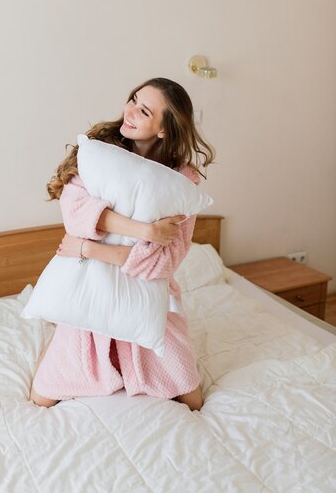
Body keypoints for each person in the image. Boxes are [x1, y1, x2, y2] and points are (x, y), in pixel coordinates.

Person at [30, 77, 215, 411]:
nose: (129, 111)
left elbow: (165, 262)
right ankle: (59, 339)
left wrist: (88, 248)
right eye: (133, 99)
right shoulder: (98, 153)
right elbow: (76, 213)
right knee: (41, 396)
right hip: (91, 285)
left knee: (193, 398)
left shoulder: (182, 182)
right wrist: (146, 232)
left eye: (143, 111)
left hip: (148, 293)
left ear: (163, 130)